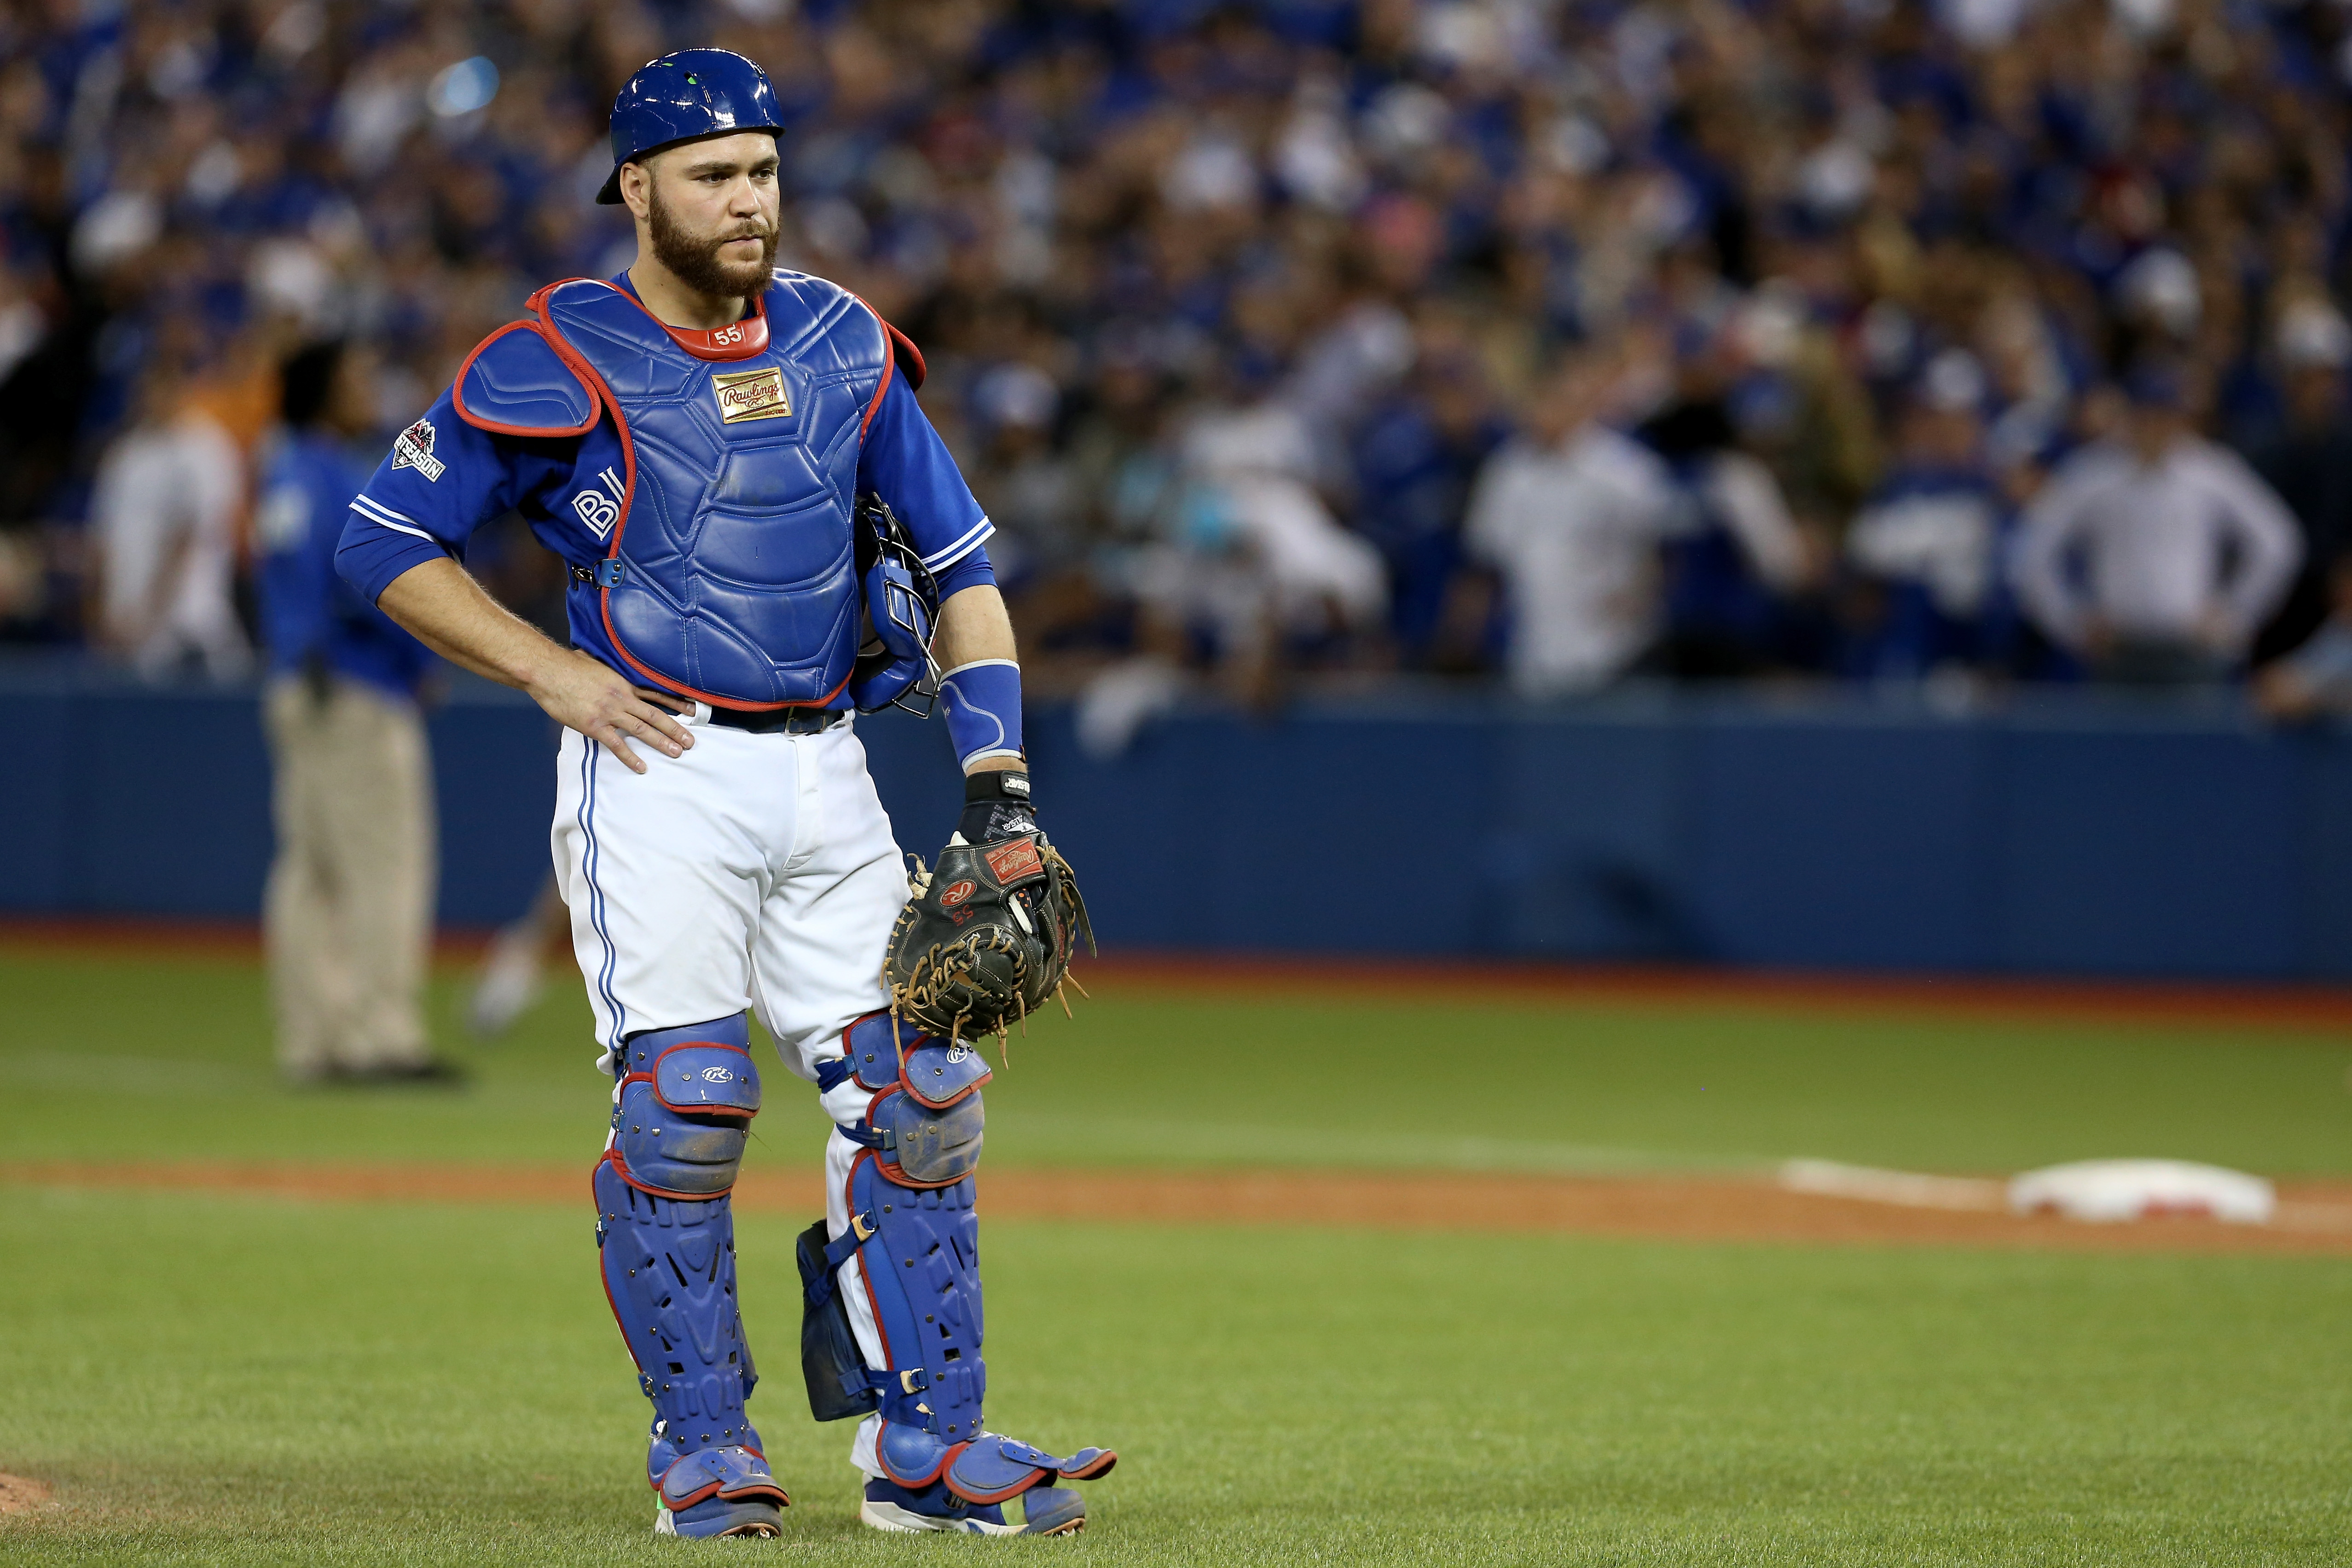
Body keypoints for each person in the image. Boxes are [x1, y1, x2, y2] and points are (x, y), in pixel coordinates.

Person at [334, 51, 1112, 1539]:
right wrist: (550, 674)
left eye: (761, 169)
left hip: (830, 771)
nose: (747, 197)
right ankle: (703, 1444)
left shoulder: (844, 345)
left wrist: (998, 777)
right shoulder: (558, 352)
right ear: (636, 187)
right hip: (656, 769)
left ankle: (926, 1447)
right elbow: (384, 538)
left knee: (921, 1095)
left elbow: (962, 575)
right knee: (690, 1109)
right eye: (712, 174)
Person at [255, 339, 448, 1084]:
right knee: (382, 866)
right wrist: (419, 659)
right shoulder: (337, 474)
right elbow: (362, 582)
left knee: (311, 869)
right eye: (357, 376)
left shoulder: (285, 471)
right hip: (354, 687)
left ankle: (316, 1039)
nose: (370, 386)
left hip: (300, 683)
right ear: (322, 391)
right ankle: (380, 1037)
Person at [2012, 366, 2302, 685]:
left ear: (2179, 419)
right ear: (2131, 417)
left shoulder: (2208, 471)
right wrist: (2070, 623)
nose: (2155, 428)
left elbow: (2278, 540)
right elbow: (2033, 548)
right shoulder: (2095, 473)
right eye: (2147, 416)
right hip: (2117, 648)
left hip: (2191, 647)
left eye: (2165, 417)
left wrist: (2236, 615)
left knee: (2195, 733)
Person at [1462, 352, 1680, 697]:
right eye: (1537, 401)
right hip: (1534, 646)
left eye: (1556, 400)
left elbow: (1668, 540)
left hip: (1616, 648)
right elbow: (1488, 558)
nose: (1544, 411)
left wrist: (1642, 594)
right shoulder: (1508, 469)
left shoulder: (1624, 469)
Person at [87, 361, 252, 681]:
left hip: (191, 621)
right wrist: (100, 612)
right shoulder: (126, 454)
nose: (153, 399)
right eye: (147, 392)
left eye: (163, 390)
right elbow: (101, 537)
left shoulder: (206, 447)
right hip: (126, 622)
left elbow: (189, 537)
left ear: (181, 392)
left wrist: (151, 613)